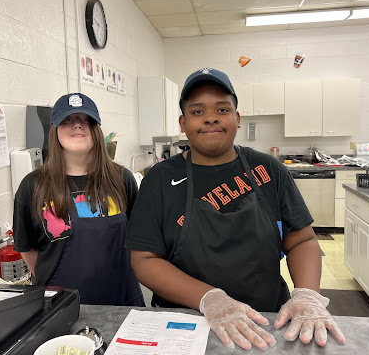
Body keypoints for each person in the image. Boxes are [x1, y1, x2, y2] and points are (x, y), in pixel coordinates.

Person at [126, 68, 345, 350]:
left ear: (237, 119)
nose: (211, 117)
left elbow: (301, 240)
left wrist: (307, 295)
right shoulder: (160, 179)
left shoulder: (269, 170)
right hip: (186, 323)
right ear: (182, 123)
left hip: (266, 321)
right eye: (197, 111)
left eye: (222, 108)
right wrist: (209, 298)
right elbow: (144, 260)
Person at [13, 93, 144, 307]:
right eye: (67, 120)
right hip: (61, 307)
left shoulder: (121, 179)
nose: (77, 125)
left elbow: (140, 241)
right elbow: (28, 249)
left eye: (86, 119)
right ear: (54, 130)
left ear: (96, 130)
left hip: (122, 303)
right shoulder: (33, 186)